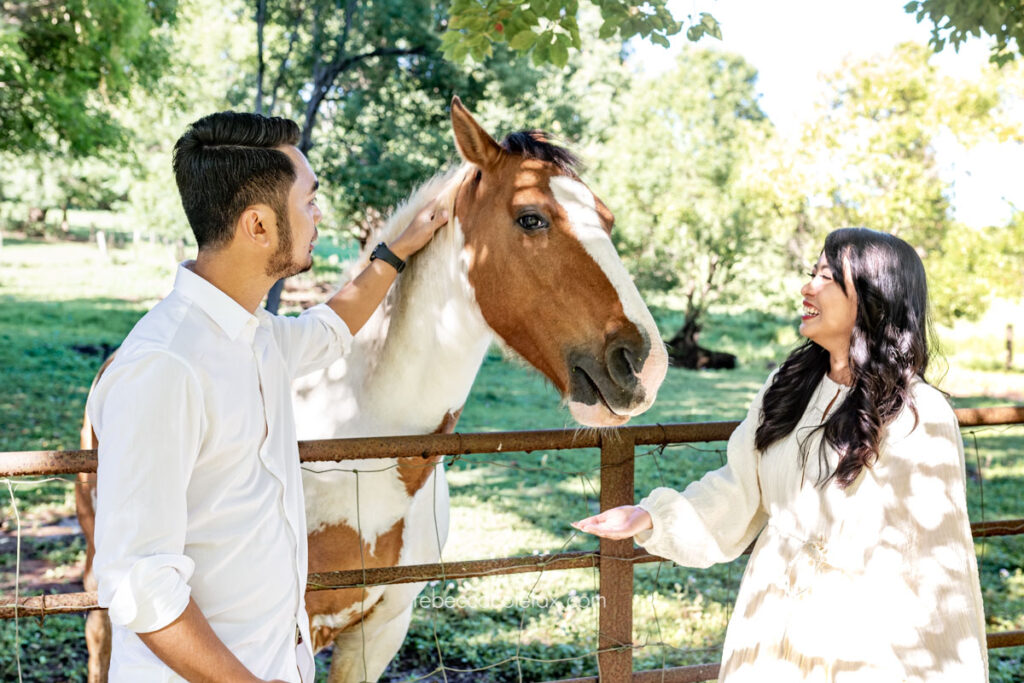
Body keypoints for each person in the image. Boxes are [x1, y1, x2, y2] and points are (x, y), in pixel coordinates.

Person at [86, 111, 447, 682]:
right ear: (258, 225)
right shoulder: (163, 366)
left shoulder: (256, 337)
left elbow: (330, 328)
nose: (317, 215)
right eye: (308, 201)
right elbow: (139, 582)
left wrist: (398, 249)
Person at [573, 228, 988, 682]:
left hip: (866, 638)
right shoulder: (786, 387)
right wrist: (651, 518)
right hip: (770, 617)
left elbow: (935, 562)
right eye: (811, 273)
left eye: (828, 277)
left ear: (873, 299)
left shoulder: (919, 413)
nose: (807, 286)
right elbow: (738, 489)